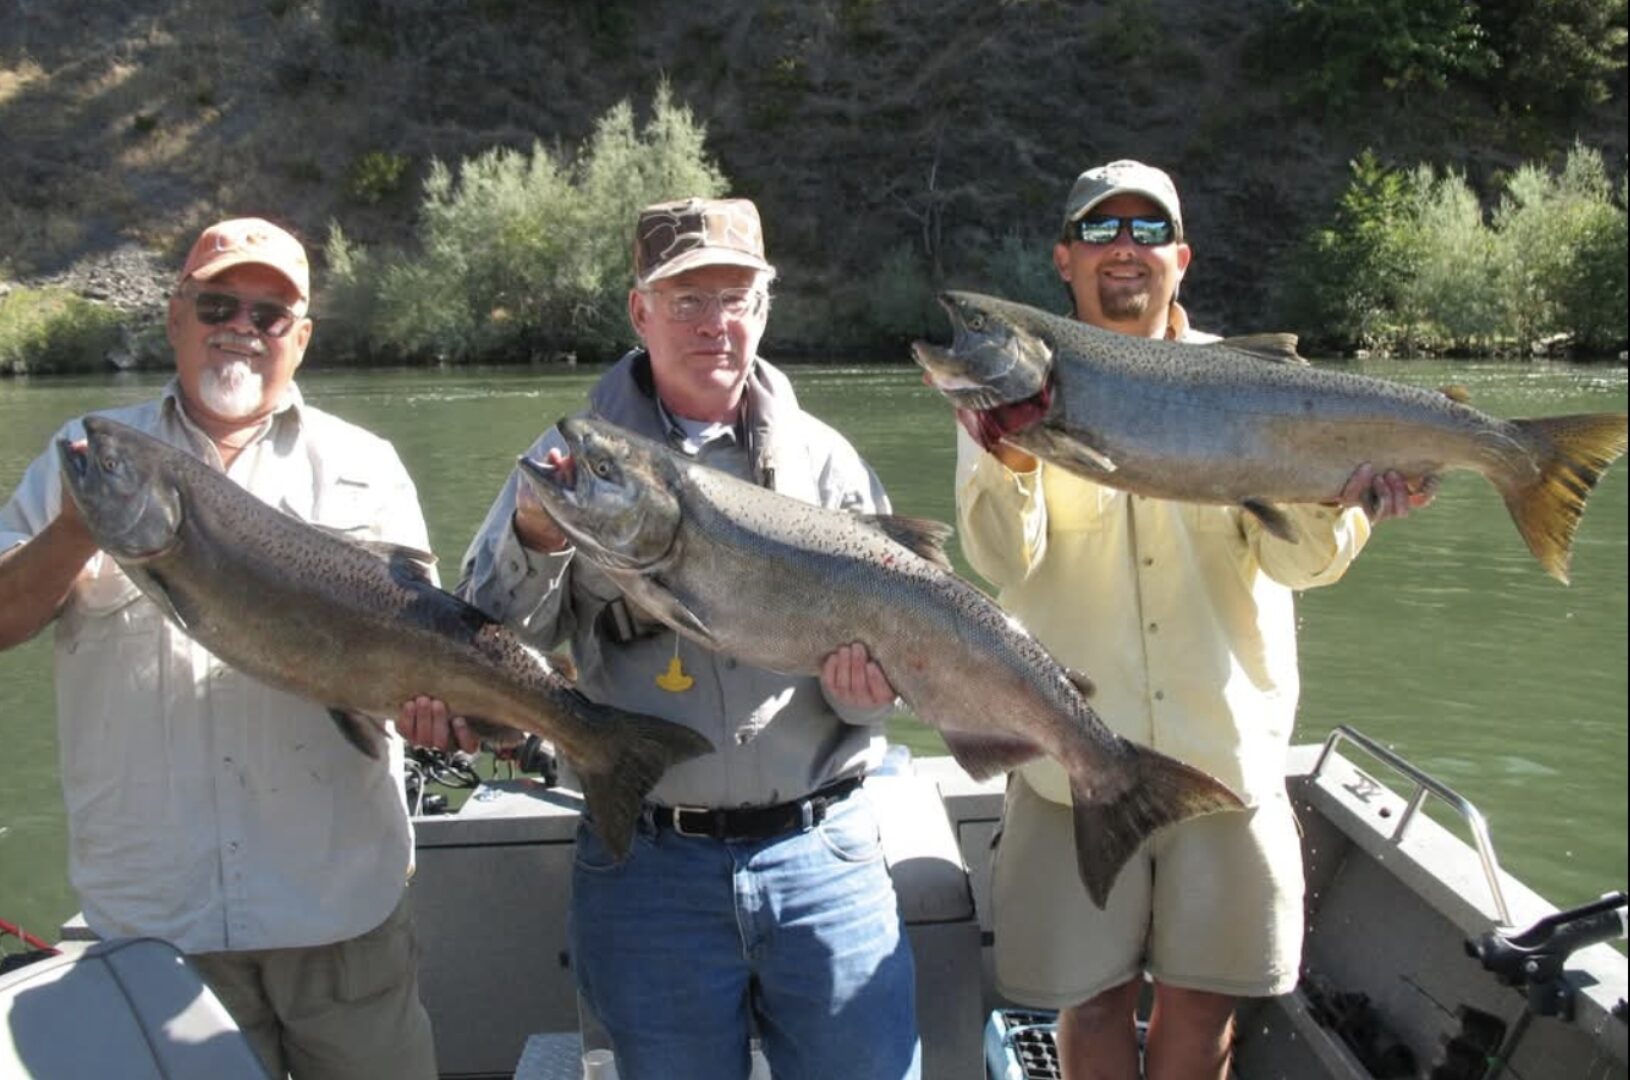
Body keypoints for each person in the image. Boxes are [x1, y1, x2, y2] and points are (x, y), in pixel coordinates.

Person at [399, 195, 921, 1080]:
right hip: (647, 870)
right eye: (687, 301)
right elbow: (488, 638)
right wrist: (532, 536)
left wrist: (868, 689)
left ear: (765, 307)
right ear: (639, 311)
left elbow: (889, 657)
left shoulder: (828, 462)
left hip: (824, 856)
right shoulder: (566, 465)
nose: (716, 324)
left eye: (736, 298)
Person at [955, 161, 1433, 1080]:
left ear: (1181, 256)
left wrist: (1352, 506)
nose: (1123, 249)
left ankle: (1526, 460)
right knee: (1087, 1002)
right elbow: (1001, 562)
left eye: (1145, 231)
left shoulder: (1260, 382)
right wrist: (1011, 455)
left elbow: (1301, 565)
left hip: (1226, 759)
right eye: (1100, 232)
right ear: (1064, 259)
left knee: (1203, 1001)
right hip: (1071, 766)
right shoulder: (1009, 388)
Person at [0, 218, 438, 1080]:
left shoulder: (367, 463)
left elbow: (425, 644)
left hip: (339, 908)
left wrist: (443, 716)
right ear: (175, 317)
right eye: (218, 304)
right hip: (157, 922)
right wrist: (73, 532)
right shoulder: (89, 456)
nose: (243, 326)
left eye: (271, 315)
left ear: (301, 339)